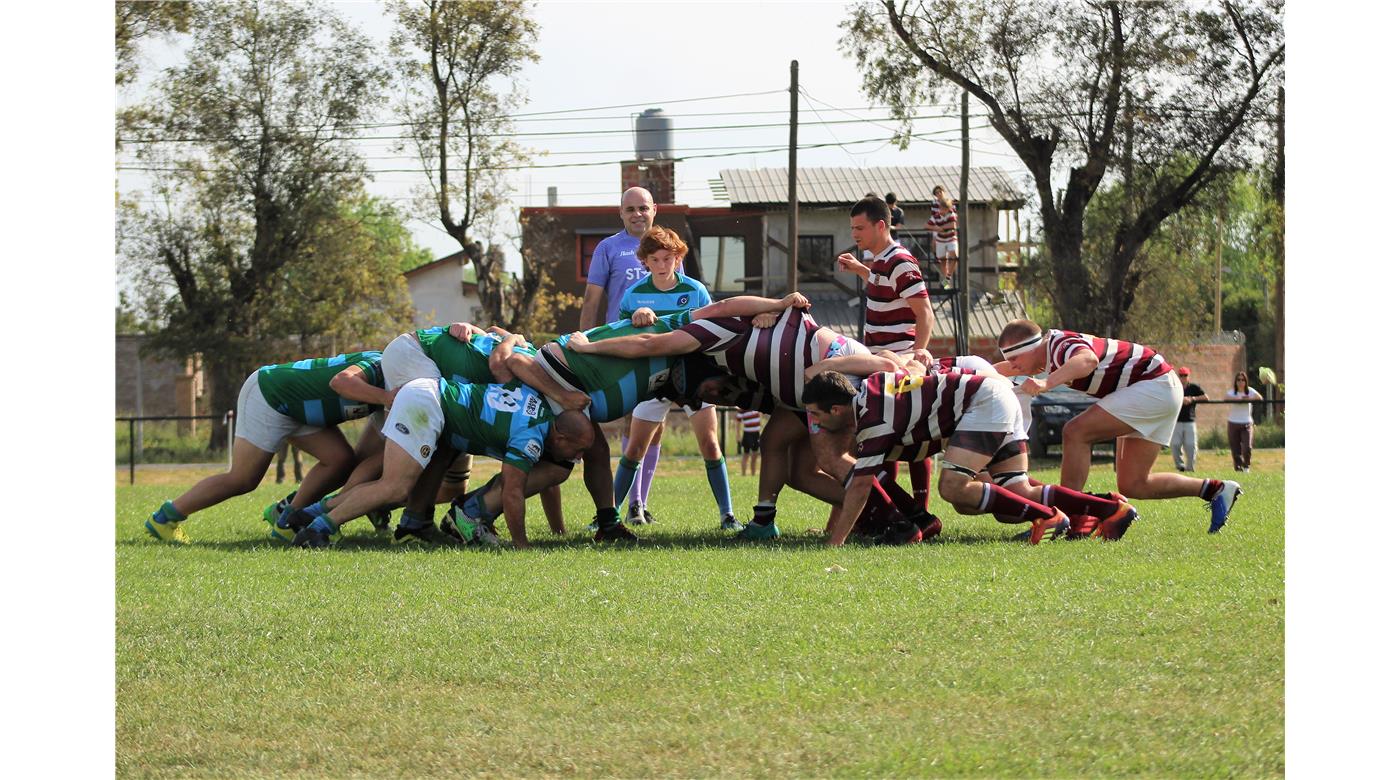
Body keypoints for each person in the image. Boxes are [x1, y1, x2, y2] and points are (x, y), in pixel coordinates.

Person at [566, 302, 906, 540]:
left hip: (827, 375)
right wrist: (777, 304)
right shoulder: (731, 340)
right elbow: (731, 305)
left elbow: (650, 342)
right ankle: (774, 519)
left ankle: (896, 518)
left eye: (705, 392)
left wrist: (591, 348)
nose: (713, 396)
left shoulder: (704, 331)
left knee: (828, 459)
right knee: (789, 458)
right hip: (807, 386)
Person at [803, 368, 1139, 546]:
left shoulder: (873, 419)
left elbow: (861, 486)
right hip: (991, 398)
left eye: (816, 415)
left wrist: (835, 543)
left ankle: (1047, 516)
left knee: (953, 487)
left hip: (983, 403)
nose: (816, 422)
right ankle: (1109, 507)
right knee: (1015, 492)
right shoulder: (872, 392)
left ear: (836, 409)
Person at [994, 319, 1242, 533]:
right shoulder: (1048, 351)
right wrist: (970, 376)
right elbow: (1001, 370)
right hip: (1158, 387)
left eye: (1015, 358)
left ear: (1033, 347)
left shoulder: (1059, 345)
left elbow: (1088, 360)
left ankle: (1067, 516)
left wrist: (1046, 383)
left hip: (1153, 386)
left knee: (1075, 432)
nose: (1013, 365)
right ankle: (1216, 489)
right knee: (1134, 484)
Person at [289, 377, 594, 550]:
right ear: (561, 436)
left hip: (427, 394)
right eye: (578, 450)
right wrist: (521, 544)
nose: (578, 458)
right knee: (395, 488)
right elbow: (512, 490)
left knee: (391, 483)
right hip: (427, 404)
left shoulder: (538, 407)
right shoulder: (530, 437)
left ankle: (310, 514)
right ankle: (318, 530)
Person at [144, 351, 388, 544]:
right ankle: (165, 518)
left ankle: (287, 520)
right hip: (269, 395)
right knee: (243, 479)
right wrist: (387, 398)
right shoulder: (379, 365)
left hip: (297, 408)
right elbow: (341, 382)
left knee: (341, 461)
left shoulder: (401, 381)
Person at [612, 227, 738, 531]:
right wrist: (634, 319)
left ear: (678, 257)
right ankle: (607, 516)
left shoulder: (695, 291)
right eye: (654, 259)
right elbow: (623, 337)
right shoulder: (634, 295)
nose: (661, 264)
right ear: (645, 262)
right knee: (634, 448)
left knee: (710, 444)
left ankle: (728, 515)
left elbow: (711, 332)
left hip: (694, 373)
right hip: (654, 375)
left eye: (667, 258)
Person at [836, 195, 938, 516]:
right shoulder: (880, 260)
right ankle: (892, 510)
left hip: (899, 362)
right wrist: (862, 271)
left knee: (912, 440)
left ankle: (918, 510)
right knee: (887, 439)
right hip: (880, 361)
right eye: (852, 228)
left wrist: (918, 352)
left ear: (881, 225)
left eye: (860, 228)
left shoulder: (900, 260)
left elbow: (925, 313)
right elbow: (885, 286)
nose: (855, 235)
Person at [579, 187, 656, 330]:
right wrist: (583, 344)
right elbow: (591, 302)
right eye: (630, 209)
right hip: (620, 336)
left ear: (654, 209)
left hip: (663, 336)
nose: (637, 214)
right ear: (621, 212)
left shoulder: (668, 246)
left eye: (643, 208)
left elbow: (681, 293)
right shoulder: (607, 248)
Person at [1171, 366, 1209, 472]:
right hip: (1176, 421)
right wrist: (1180, 399)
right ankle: (1180, 466)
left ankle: (1190, 468)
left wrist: (1192, 398)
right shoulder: (1174, 387)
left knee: (1191, 445)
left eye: (1185, 375)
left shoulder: (1194, 387)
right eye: (1181, 375)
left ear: (1189, 376)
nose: (1183, 377)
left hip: (1190, 421)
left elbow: (1206, 397)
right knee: (1175, 444)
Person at [1225, 370, 1264, 472]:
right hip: (1233, 423)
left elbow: (1259, 397)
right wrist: (1239, 399)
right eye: (1238, 380)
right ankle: (1238, 468)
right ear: (1236, 381)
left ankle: (1246, 466)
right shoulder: (1232, 392)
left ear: (1246, 381)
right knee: (1235, 449)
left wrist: (1248, 398)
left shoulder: (1250, 391)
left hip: (1247, 423)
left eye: (1243, 380)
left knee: (1247, 447)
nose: (1240, 382)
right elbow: (1226, 398)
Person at [927, 185, 959, 287]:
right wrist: (936, 233)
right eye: (936, 193)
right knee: (942, 259)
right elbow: (933, 219)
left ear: (943, 192)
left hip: (950, 233)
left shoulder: (951, 203)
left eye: (940, 192)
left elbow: (953, 219)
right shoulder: (934, 204)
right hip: (939, 231)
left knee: (954, 257)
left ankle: (948, 277)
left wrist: (944, 227)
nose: (939, 194)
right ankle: (946, 280)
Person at [736, 409, 763, 477]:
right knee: (746, 455)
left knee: (755, 455)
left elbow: (760, 416)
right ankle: (743, 475)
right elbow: (738, 422)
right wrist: (738, 434)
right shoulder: (742, 408)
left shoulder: (756, 406)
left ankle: (753, 475)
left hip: (756, 434)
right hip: (747, 434)